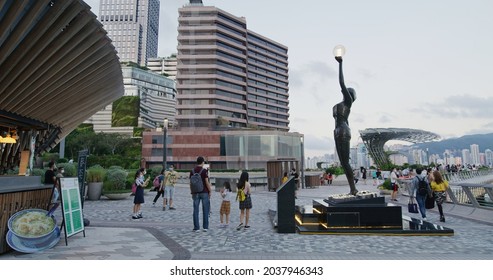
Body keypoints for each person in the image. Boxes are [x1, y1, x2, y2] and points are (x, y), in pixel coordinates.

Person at [334, 55, 358, 195]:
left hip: (342, 130)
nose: (343, 91)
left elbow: (341, 83)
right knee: (343, 162)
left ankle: (353, 188)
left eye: (346, 90)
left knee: (345, 163)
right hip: (338, 130)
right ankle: (352, 188)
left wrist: (340, 64)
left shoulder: (347, 102)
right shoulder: (342, 105)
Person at [190, 156, 212, 232]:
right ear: (202, 162)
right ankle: (205, 227)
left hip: (195, 192)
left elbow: (191, 183)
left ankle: (196, 227)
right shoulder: (204, 171)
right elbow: (206, 182)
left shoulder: (192, 171)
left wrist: (192, 192)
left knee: (195, 210)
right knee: (205, 209)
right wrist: (210, 191)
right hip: (204, 192)